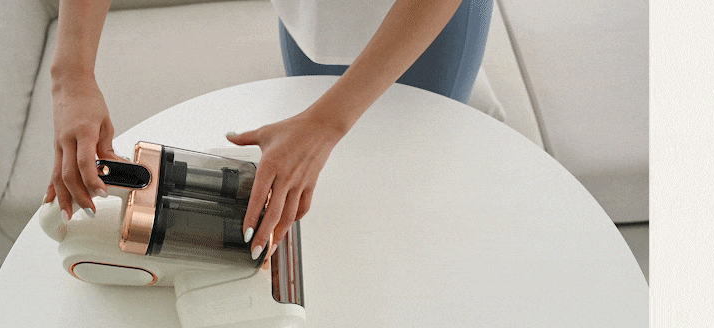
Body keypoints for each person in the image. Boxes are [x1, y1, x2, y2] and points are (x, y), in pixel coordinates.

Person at [43, 0, 493, 261]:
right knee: (327, 186)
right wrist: (71, 75)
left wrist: (326, 124)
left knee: (407, 187)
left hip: (419, 21)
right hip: (310, 15)